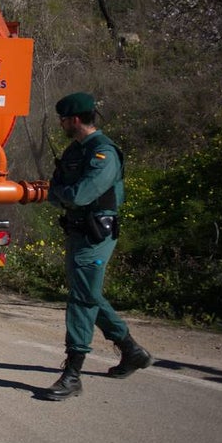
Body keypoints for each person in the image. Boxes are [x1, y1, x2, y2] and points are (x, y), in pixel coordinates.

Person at [42, 92, 152, 401]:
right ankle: (131, 351)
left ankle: (72, 374)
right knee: (86, 292)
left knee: (81, 299)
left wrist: (63, 193)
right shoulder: (74, 151)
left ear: (74, 119)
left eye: (63, 119)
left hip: (96, 235)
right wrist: (63, 192)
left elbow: (79, 195)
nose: (61, 124)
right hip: (77, 232)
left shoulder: (103, 153)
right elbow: (57, 192)